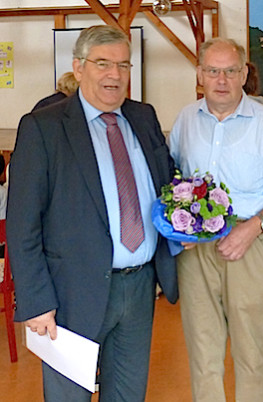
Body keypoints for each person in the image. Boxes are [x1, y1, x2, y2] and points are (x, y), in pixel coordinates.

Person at [7, 25, 177, 401]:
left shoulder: (143, 118)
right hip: (70, 295)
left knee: (129, 394)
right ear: (78, 67)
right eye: (102, 63)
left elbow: (167, 185)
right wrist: (36, 302)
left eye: (122, 65)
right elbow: (22, 225)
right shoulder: (44, 128)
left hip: (138, 289)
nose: (114, 74)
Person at [167, 37, 263, 402]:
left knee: (250, 356)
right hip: (196, 251)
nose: (222, 79)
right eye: (213, 71)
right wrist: (175, 224)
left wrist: (255, 226)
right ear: (200, 75)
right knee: (203, 354)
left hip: (250, 245)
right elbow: (172, 180)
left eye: (230, 71)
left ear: (244, 73)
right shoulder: (185, 120)